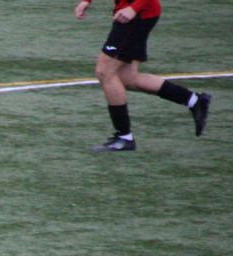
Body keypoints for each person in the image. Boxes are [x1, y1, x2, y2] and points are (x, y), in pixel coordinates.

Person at [74, 0, 211, 152]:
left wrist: (134, 8)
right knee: (127, 78)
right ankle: (194, 101)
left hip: (137, 14)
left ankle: (124, 137)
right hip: (135, 13)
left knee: (105, 72)